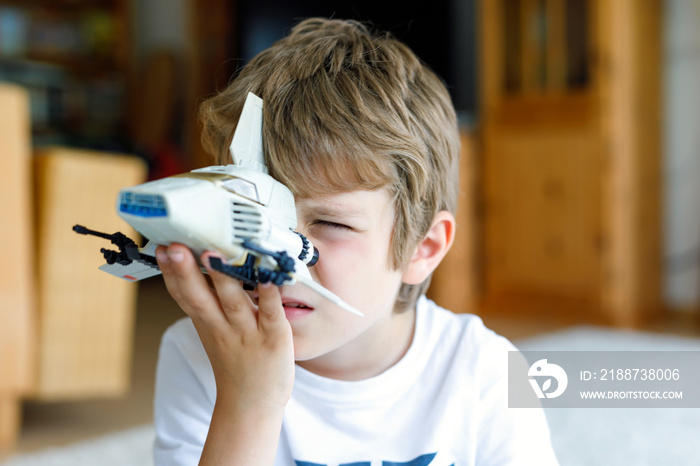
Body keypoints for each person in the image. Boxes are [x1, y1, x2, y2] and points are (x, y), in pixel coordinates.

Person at [152, 17, 559, 465]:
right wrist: (248, 402)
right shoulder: (200, 353)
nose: (275, 253)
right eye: (253, 214)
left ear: (421, 249)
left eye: (329, 222)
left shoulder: (488, 372)